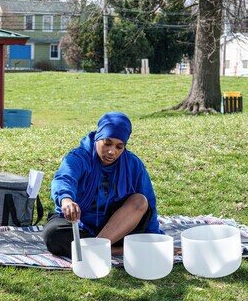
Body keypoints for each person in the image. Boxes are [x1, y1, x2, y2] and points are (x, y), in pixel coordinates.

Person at [43, 111, 162, 258]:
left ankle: (96, 247)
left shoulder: (132, 164)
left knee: (140, 201)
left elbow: (148, 201)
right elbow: (63, 178)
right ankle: (113, 250)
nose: (112, 152)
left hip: (116, 226)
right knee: (53, 234)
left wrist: (155, 240)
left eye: (119, 147)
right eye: (107, 143)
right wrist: (66, 199)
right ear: (98, 138)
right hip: (79, 223)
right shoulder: (79, 157)